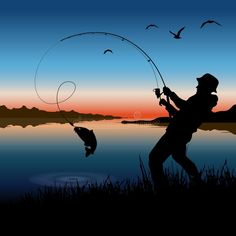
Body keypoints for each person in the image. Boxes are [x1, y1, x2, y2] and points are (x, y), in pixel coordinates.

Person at [149, 73, 219, 189]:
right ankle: (197, 182)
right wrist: (168, 105)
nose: (197, 86)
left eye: (200, 84)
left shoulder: (206, 100)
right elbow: (181, 114)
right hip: (181, 134)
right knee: (179, 157)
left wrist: (171, 94)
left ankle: (162, 190)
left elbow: (185, 107)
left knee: (154, 159)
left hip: (176, 134)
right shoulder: (198, 99)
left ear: (206, 86)